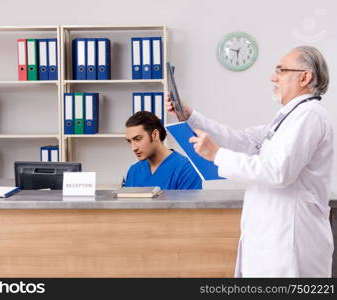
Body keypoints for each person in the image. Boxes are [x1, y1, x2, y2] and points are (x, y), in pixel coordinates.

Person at [167, 46, 334, 277]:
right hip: (271, 239)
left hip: (291, 242)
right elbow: (241, 140)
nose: (273, 77)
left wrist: (217, 155)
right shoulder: (287, 118)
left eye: (281, 70)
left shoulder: (309, 116)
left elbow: (278, 172)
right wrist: (190, 116)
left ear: (305, 77)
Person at [124, 111, 202, 190]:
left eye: (138, 139)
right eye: (129, 141)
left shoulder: (186, 169)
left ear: (155, 135)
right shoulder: (133, 171)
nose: (133, 148)